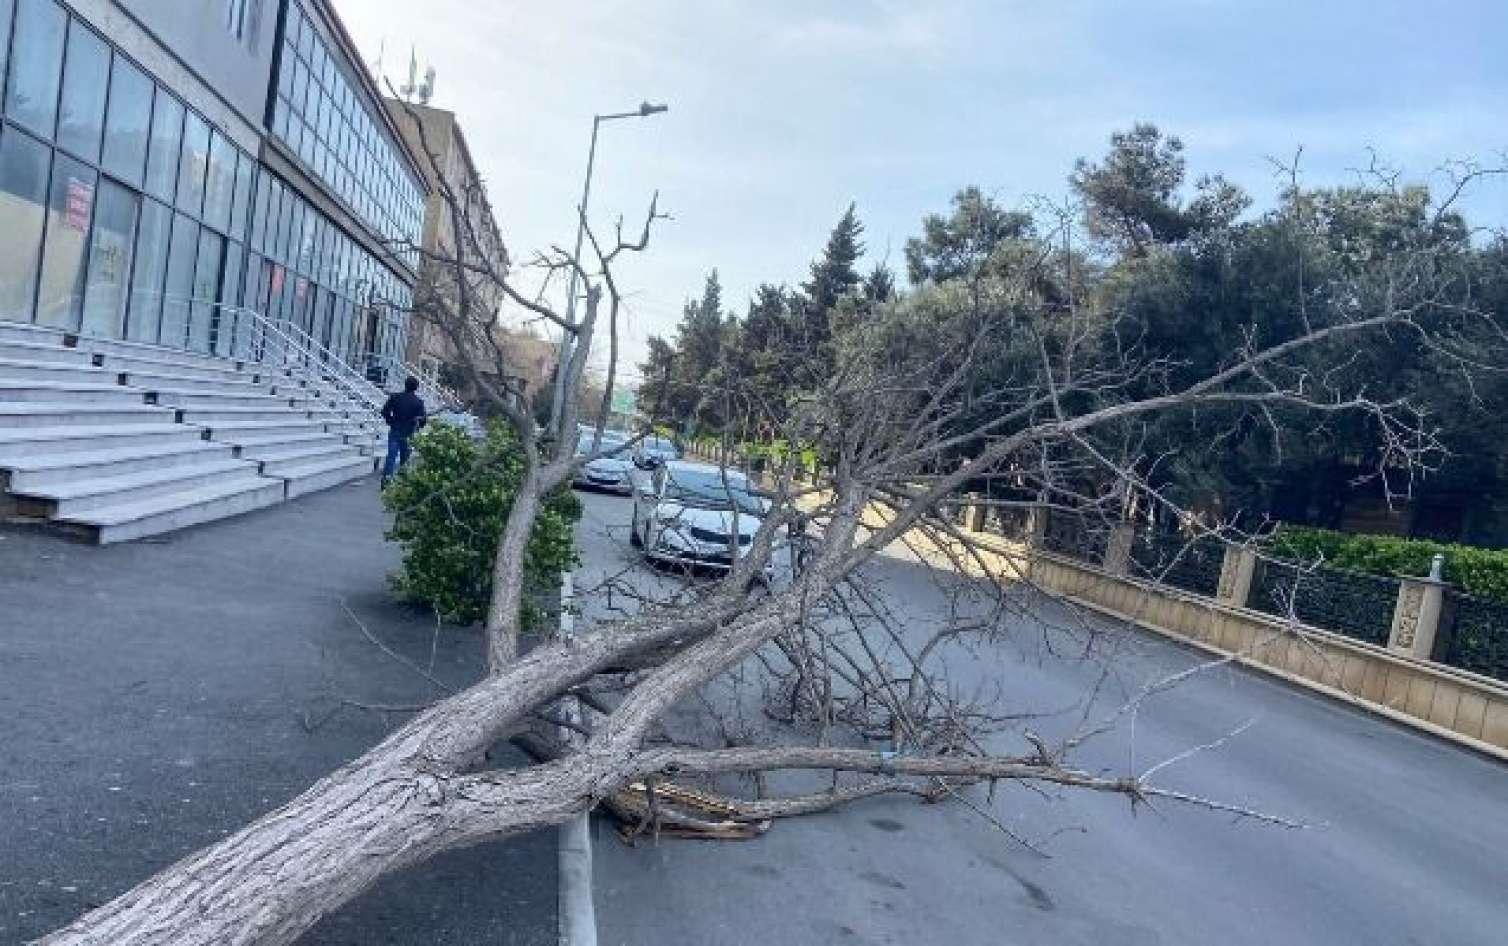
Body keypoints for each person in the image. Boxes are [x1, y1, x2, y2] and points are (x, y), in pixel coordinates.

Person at [380, 377, 427, 486]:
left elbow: (384, 411)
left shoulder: (395, 397)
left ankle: (386, 480)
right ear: (416, 388)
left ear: (405, 385)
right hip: (409, 432)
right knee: (405, 459)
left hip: (396, 429)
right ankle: (402, 482)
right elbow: (423, 420)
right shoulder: (419, 402)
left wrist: (390, 421)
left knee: (391, 456)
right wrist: (418, 426)